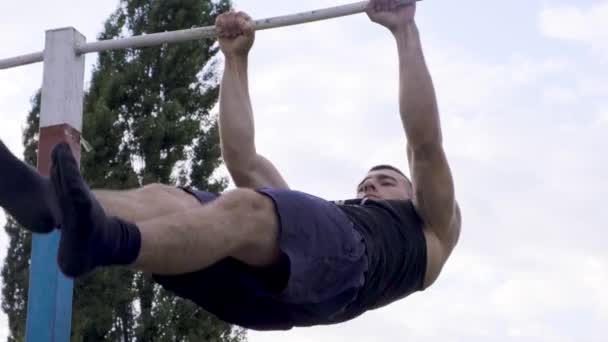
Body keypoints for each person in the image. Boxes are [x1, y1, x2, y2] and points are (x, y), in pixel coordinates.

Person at [0, 0, 460, 331]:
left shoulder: (433, 227)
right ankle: (51, 204)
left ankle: (106, 240)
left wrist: (404, 31)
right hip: (268, 299)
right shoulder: (320, 222)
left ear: (412, 191)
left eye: (385, 182)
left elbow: (424, 144)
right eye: (366, 181)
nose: (371, 187)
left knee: (249, 208)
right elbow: (243, 159)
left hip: (345, 272)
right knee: (172, 199)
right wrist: (236, 61)